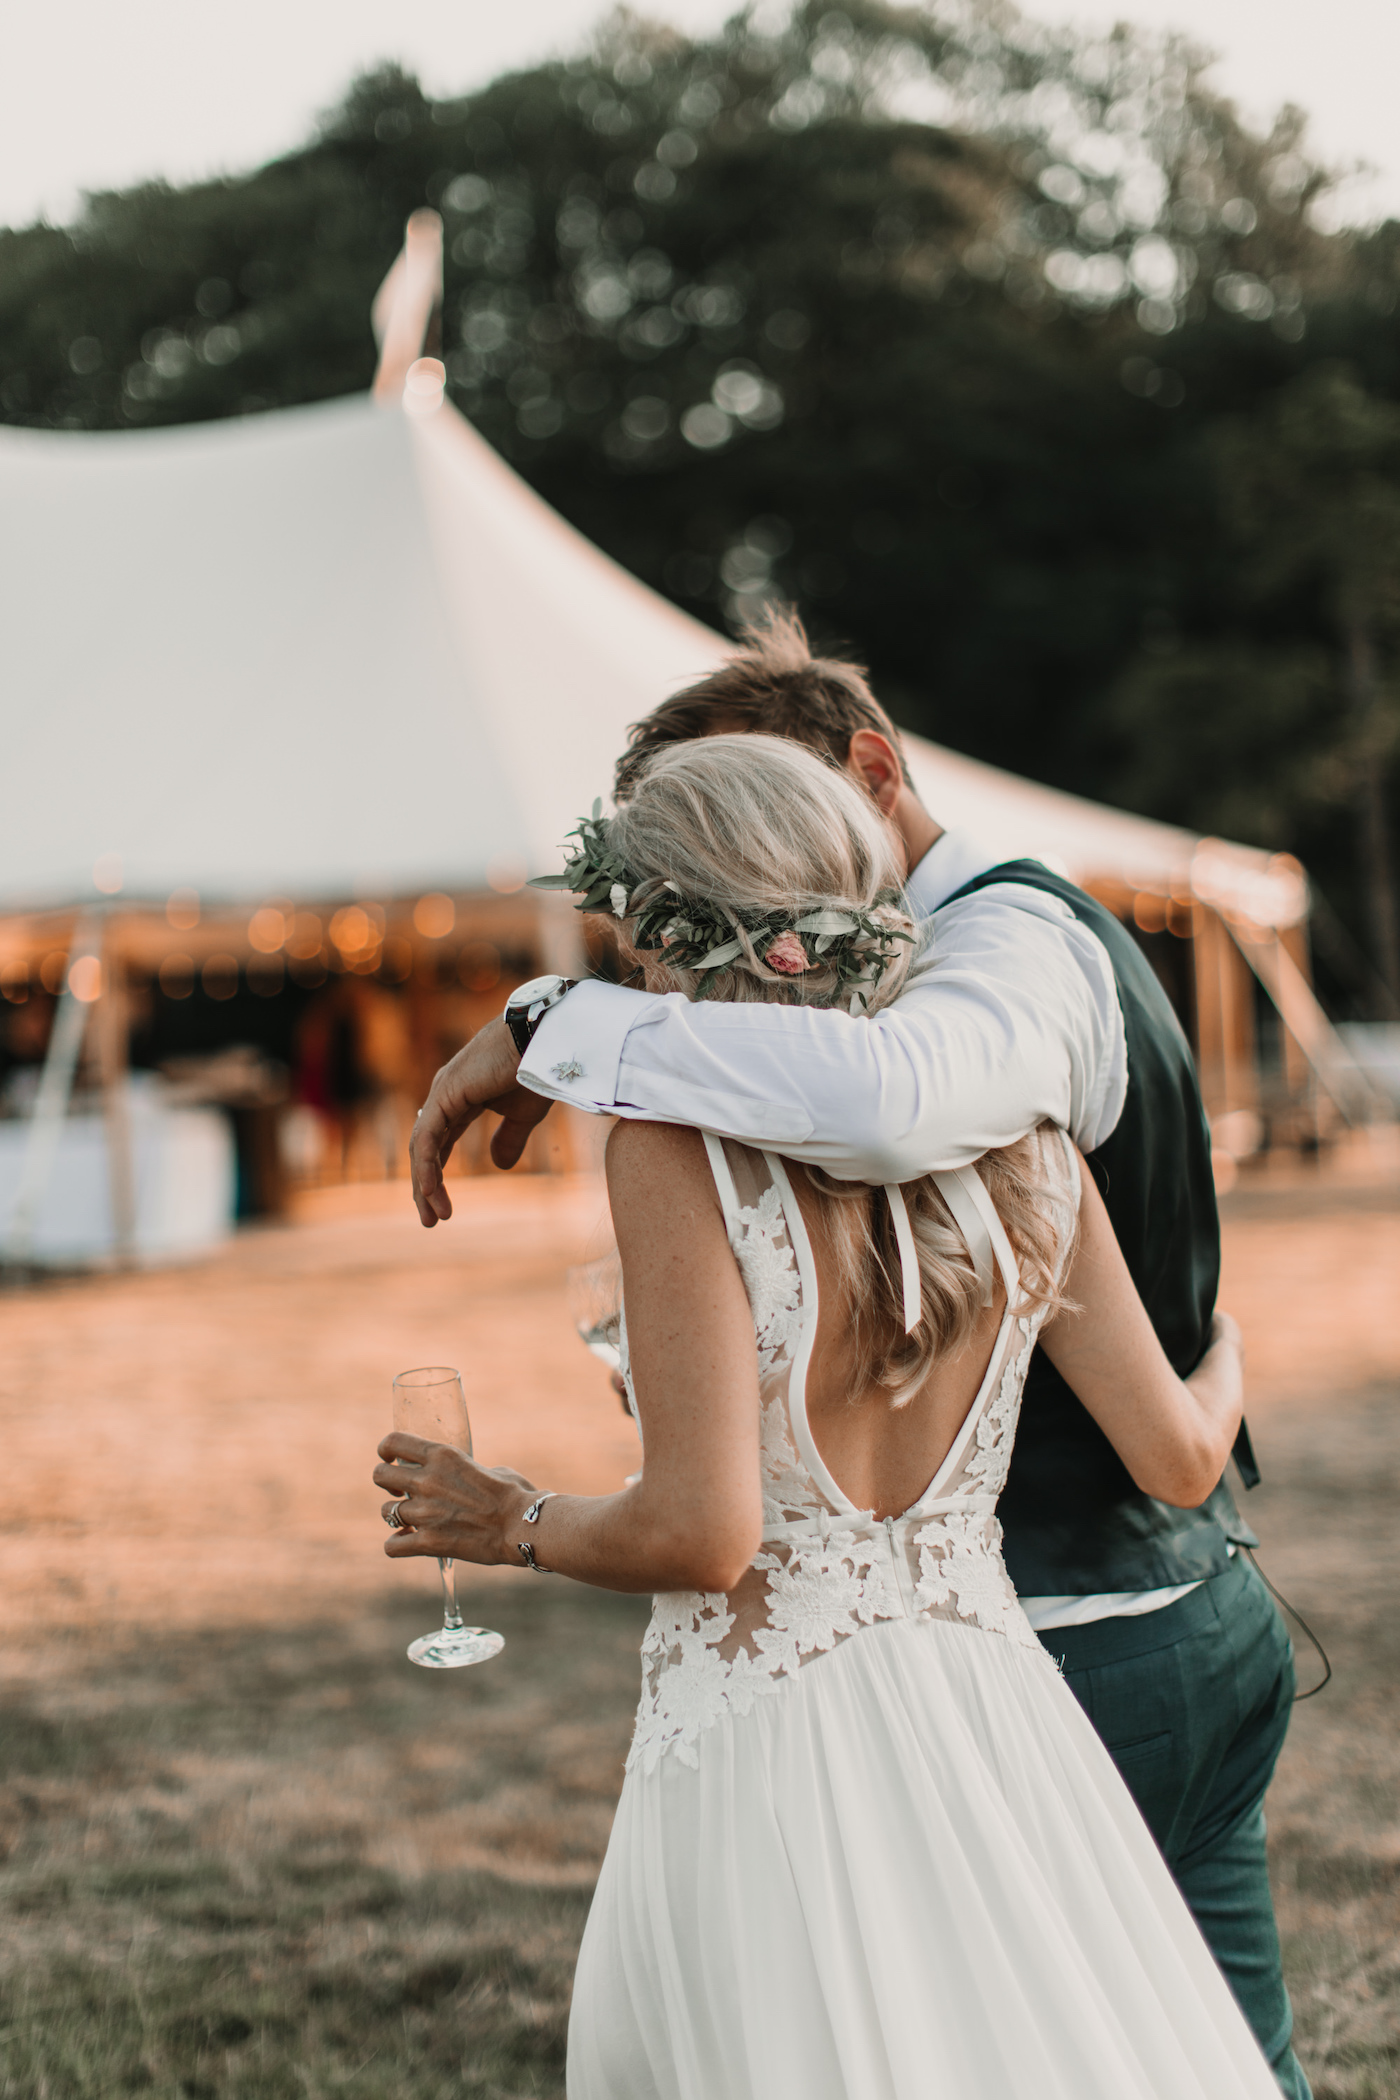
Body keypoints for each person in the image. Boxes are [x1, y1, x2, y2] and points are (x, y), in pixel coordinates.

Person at [408, 616, 1308, 2097]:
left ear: (670, 929)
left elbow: (706, 1532)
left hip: (778, 1750)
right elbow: (1179, 1449)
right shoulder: (1028, 1146)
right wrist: (1229, 1349)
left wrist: (500, 1518)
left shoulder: (679, 1145)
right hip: (1000, 1716)